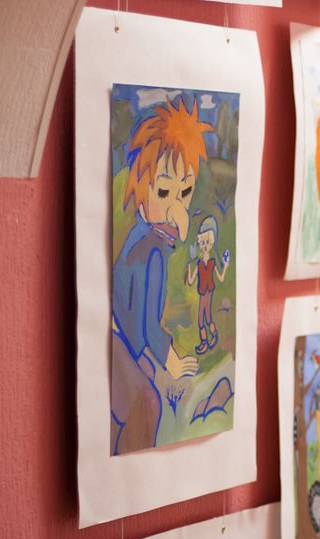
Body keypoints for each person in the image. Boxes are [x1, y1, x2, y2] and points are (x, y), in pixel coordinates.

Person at [110, 98, 212, 455]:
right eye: (164, 192)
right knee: (147, 404)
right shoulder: (151, 250)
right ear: (141, 189)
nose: (175, 206)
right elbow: (148, 326)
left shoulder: (145, 236)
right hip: (121, 339)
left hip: (122, 335)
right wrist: (172, 361)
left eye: (185, 192)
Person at [187, 216, 230, 355]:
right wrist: (189, 267)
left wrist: (225, 266)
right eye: (202, 242)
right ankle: (210, 338)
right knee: (204, 318)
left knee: (204, 318)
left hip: (208, 292)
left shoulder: (212, 262)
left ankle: (207, 341)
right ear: (199, 243)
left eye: (207, 242)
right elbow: (191, 280)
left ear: (211, 243)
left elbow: (221, 278)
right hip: (202, 292)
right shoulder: (199, 263)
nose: (204, 245)